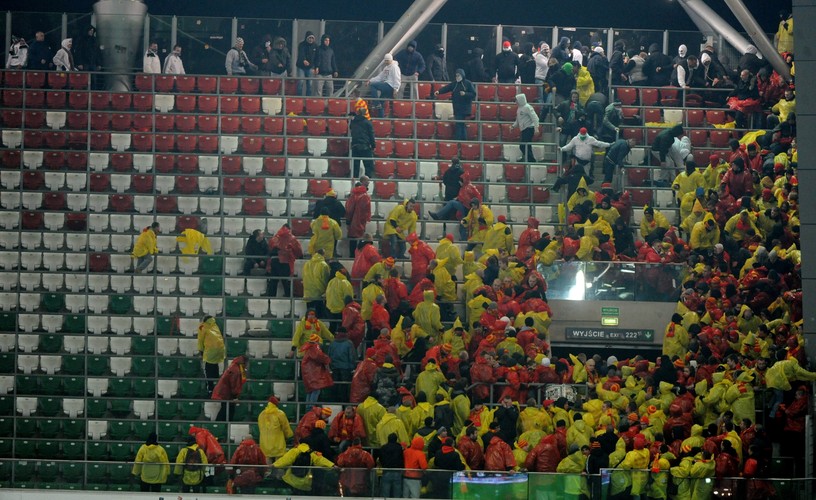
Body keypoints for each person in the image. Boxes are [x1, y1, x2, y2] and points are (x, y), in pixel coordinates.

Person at [434, 69, 476, 141]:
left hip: (465, 108)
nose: (457, 77)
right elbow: (447, 88)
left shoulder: (468, 83)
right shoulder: (454, 84)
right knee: (460, 125)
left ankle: (460, 140)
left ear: (462, 75)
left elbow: (473, 94)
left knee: (460, 125)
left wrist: (465, 94)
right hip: (457, 108)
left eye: (458, 75)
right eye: (456, 76)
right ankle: (462, 141)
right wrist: (439, 91)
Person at [212, 355, 248, 421]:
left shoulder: (235, 366)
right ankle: (219, 425)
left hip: (225, 392)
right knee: (226, 410)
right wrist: (235, 397)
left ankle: (223, 425)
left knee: (228, 410)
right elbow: (234, 384)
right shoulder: (236, 370)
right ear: (244, 362)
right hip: (225, 393)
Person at [258, 395, 293, 463]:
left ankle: (267, 472)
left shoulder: (261, 414)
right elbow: (286, 427)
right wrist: (289, 435)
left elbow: (260, 428)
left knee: (267, 461)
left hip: (265, 444)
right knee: (279, 463)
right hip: (278, 444)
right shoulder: (280, 414)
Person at [301, 334, 334, 403]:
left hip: (308, 372)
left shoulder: (308, 347)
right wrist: (327, 360)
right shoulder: (314, 348)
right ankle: (311, 407)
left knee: (310, 390)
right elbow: (319, 356)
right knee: (316, 389)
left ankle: (308, 408)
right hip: (313, 372)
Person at [367, 53, 401, 118]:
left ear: (390, 60)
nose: (386, 62)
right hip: (386, 85)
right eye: (385, 60)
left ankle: (376, 103)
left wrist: (396, 89)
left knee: (373, 85)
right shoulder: (386, 68)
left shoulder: (394, 67)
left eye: (387, 60)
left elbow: (397, 78)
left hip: (389, 86)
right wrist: (371, 80)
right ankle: (381, 120)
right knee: (381, 105)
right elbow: (380, 77)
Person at [197, 315, 225, 393]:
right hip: (220, 349)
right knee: (215, 366)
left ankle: (210, 389)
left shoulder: (202, 326)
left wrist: (201, 352)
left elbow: (200, 340)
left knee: (208, 369)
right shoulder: (215, 324)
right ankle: (217, 387)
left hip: (211, 350)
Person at [346, 177, 372, 257]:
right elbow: (368, 211)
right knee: (361, 238)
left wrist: (348, 221)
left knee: (352, 240)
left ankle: (352, 256)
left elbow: (349, 209)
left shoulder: (353, 196)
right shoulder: (366, 196)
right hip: (362, 221)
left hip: (353, 221)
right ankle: (359, 255)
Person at [510, 93, 540, 163]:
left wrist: (536, 128)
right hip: (524, 129)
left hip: (529, 128)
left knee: (523, 146)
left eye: (516, 100)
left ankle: (531, 160)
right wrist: (513, 126)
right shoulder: (519, 109)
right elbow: (518, 120)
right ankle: (530, 160)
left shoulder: (528, 107)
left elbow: (535, 118)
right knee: (527, 146)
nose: (516, 102)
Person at [350, 104, 376, 177]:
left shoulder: (353, 122)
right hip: (365, 146)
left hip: (355, 145)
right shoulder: (367, 122)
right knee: (368, 165)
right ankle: (368, 180)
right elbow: (371, 135)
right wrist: (373, 145)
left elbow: (351, 129)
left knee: (355, 166)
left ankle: (354, 181)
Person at [378, 432, 405, 497]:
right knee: (397, 493)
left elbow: (380, 458)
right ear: (396, 439)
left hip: (386, 471)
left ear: (388, 439)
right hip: (397, 472)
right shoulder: (399, 448)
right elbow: (401, 459)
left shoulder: (383, 448)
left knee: (385, 492)